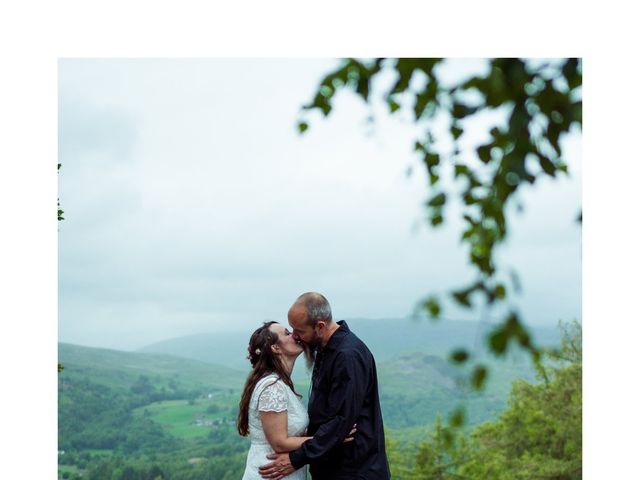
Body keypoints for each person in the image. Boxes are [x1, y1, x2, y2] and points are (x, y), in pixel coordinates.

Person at [259, 292, 391, 480]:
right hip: (335, 468)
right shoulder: (325, 349)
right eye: (291, 330)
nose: (295, 336)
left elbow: (340, 421)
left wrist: (296, 459)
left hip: (354, 470)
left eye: (300, 331)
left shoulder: (347, 356)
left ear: (320, 326)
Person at [237, 321, 355, 480]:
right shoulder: (272, 387)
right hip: (272, 472)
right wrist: (333, 438)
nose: (294, 335)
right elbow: (279, 443)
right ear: (275, 348)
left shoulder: (279, 384)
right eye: (287, 333)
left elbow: (291, 432)